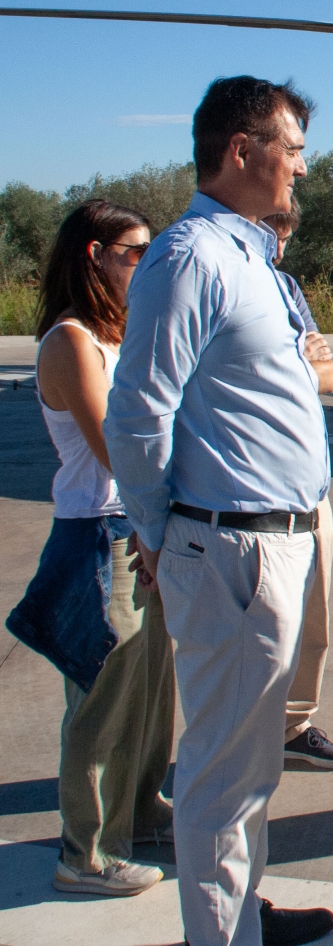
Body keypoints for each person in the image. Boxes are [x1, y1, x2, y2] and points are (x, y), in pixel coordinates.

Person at [105, 76, 333, 946]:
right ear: (242, 151)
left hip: (270, 544)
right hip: (231, 549)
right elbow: (137, 411)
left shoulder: (249, 258)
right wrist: (162, 536)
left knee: (248, 771)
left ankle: (240, 914)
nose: (301, 171)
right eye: (293, 151)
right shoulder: (192, 256)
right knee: (218, 777)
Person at [5, 200, 175, 897]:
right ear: (93, 255)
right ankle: (87, 854)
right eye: (135, 252)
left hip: (141, 527)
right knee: (103, 698)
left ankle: (139, 809)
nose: (146, 263)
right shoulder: (72, 341)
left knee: (150, 689)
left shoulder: (123, 332)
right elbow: (119, 449)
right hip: (102, 530)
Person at [261, 203, 333, 771]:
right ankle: (242, 734)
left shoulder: (288, 287)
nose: (280, 242)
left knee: (312, 619)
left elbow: (328, 375)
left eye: (287, 233)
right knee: (253, 631)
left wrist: (289, 364)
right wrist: (297, 362)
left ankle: (294, 724)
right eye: (273, 229)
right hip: (252, 493)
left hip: (311, 485)